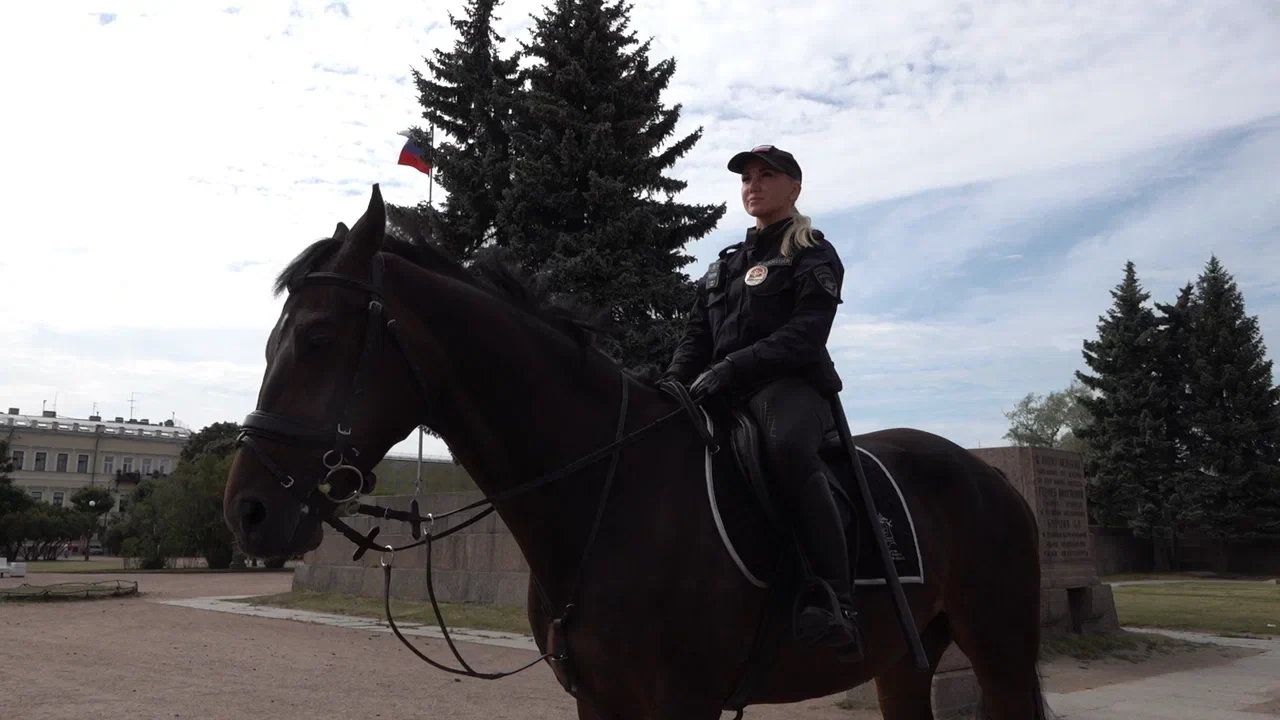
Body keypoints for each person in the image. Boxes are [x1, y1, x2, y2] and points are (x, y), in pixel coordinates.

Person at [663, 144, 862, 662]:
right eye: (747, 177)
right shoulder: (725, 265)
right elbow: (695, 336)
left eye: (767, 175)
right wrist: (673, 386)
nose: (754, 185)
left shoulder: (812, 251)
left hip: (790, 386)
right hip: (722, 388)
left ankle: (833, 597)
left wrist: (732, 367)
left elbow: (805, 334)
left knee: (785, 448)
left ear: (794, 187)